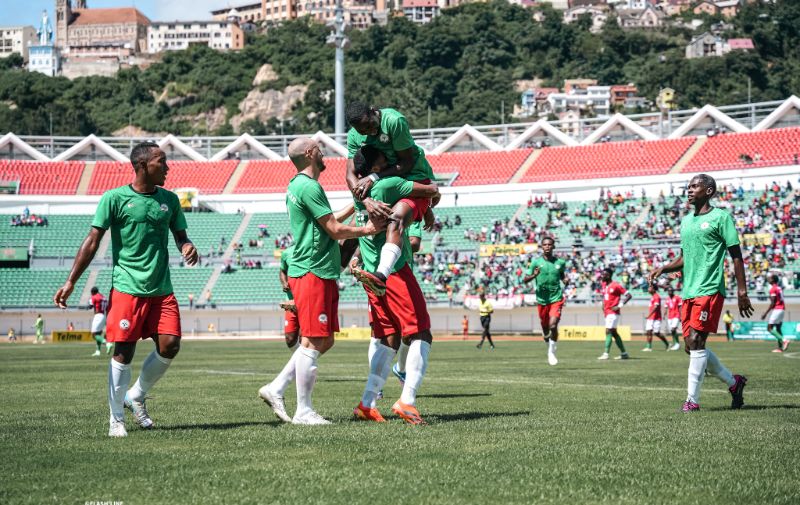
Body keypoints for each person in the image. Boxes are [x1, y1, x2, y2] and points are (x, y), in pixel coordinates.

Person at [53, 141, 199, 437]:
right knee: (124, 351)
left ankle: (136, 395)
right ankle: (116, 417)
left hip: (161, 288)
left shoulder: (169, 200)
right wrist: (71, 281)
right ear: (142, 165)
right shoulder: (114, 198)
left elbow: (180, 235)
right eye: (162, 161)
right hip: (127, 287)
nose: (168, 167)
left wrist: (187, 246)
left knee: (170, 344)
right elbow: (93, 241)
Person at [257, 137, 381, 426]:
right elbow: (335, 230)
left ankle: (276, 388)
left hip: (319, 270)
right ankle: (303, 410)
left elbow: (326, 222)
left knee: (324, 340)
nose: (324, 155)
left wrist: (354, 206)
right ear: (311, 153)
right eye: (321, 150)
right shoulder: (309, 187)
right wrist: (368, 229)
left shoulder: (298, 186)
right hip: (312, 270)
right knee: (313, 340)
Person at [349, 149, 439, 424]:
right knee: (421, 333)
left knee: (388, 338)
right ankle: (408, 401)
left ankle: (367, 403)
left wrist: (355, 258)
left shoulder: (359, 198)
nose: (390, 162)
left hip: (370, 272)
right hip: (393, 272)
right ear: (375, 166)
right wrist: (430, 209)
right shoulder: (388, 184)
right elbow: (432, 189)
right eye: (383, 160)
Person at [650, 174, 752, 412]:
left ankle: (691, 401)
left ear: (708, 191)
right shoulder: (686, 221)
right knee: (691, 347)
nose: (689, 190)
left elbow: (736, 255)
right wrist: (665, 268)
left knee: (697, 341)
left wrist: (742, 291)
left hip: (710, 288)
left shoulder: (721, 218)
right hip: (689, 290)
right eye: (688, 187)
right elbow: (685, 258)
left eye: (694, 186)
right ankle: (733, 382)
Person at [345, 103, 437, 295]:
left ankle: (381, 275)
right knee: (355, 231)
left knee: (395, 219)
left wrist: (374, 177)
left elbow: (407, 163)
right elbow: (350, 175)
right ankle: (345, 272)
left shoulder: (394, 122)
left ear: (372, 111)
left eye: (370, 125)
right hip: (385, 184)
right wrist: (366, 201)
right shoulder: (355, 135)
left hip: (411, 177)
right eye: (363, 130)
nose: (369, 132)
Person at [523, 236, 565, 366]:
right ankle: (549, 344)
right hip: (542, 300)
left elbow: (562, 275)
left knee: (553, 325)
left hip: (556, 298)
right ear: (542, 247)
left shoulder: (560, 262)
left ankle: (551, 351)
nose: (547, 247)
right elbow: (525, 279)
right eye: (545, 245)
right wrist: (534, 275)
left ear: (553, 247)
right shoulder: (535, 262)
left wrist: (565, 280)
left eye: (549, 245)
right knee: (546, 329)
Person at [597, 268, 631, 360]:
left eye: (603, 274)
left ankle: (606, 354)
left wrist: (619, 306)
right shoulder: (604, 285)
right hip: (607, 312)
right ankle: (624, 353)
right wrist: (603, 305)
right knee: (614, 333)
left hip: (613, 312)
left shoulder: (616, 285)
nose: (602, 276)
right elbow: (605, 297)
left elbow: (629, 295)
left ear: (608, 275)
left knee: (608, 331)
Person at [762, 274, 789, 352]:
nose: (768, 279)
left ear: (773, 280)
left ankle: (784, 340)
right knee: (778, 328)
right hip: (782, 309)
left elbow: (773, 303)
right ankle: (780, 348)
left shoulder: (773, 289)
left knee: (769, 328)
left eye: (770, 278)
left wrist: (765, 313)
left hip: (777, 309)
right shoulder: (779, 288)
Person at [643, 284, 669, 352]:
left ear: (654, 289)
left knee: (657, 333)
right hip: (651, 318)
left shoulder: (656, 297)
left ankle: (667, 344)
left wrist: (649, 315)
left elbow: (656, 307)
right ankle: (648, 347)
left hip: (656, 318)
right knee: (649, 331)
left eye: (650, 288)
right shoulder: (652, 297)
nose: (648, 289)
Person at [89, 286, 113, 356]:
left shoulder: (94, 296)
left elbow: (90, 305)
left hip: (98, 315)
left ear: (93, 292)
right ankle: (98, 351)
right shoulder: (103, 297)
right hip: (104, 315)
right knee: (98, 333)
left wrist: (88, 306)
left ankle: (107, 343)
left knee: (94, 334)